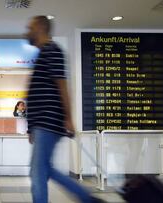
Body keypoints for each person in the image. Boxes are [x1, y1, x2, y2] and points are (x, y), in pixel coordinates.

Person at [25, 16, 103, 203]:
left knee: (37, 172)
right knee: (44, 169)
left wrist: (68, 118)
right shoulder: (43, 54)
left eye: (31, 27)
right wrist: (30, 126)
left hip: (48, 121)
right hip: (41, 123)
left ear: (41, 28)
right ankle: (87, 198)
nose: (27, 31)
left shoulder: (53, 50)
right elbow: (36, 93)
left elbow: (62, 86)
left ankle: (87, 198)